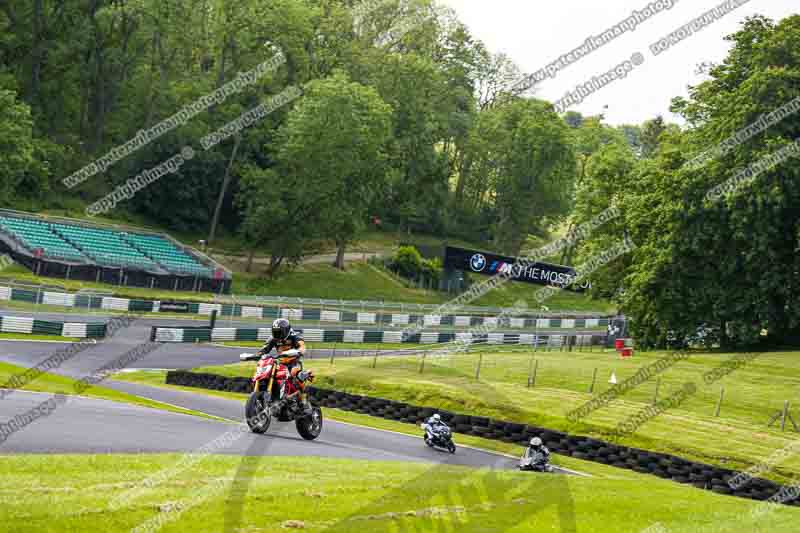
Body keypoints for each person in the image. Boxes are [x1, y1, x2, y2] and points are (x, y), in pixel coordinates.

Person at [240, 318, 312, 414]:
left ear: (286, 330)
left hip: (293, 362)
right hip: (280, 362)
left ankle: (304, 401)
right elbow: (263, 350)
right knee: (267, 372)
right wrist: (253, 356)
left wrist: (298, 351)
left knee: (296, 374)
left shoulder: (295, 336)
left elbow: (302, 347)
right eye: (275, 332)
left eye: (279, 332)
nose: (277, 334)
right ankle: (274, 398)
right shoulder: (273, 338)